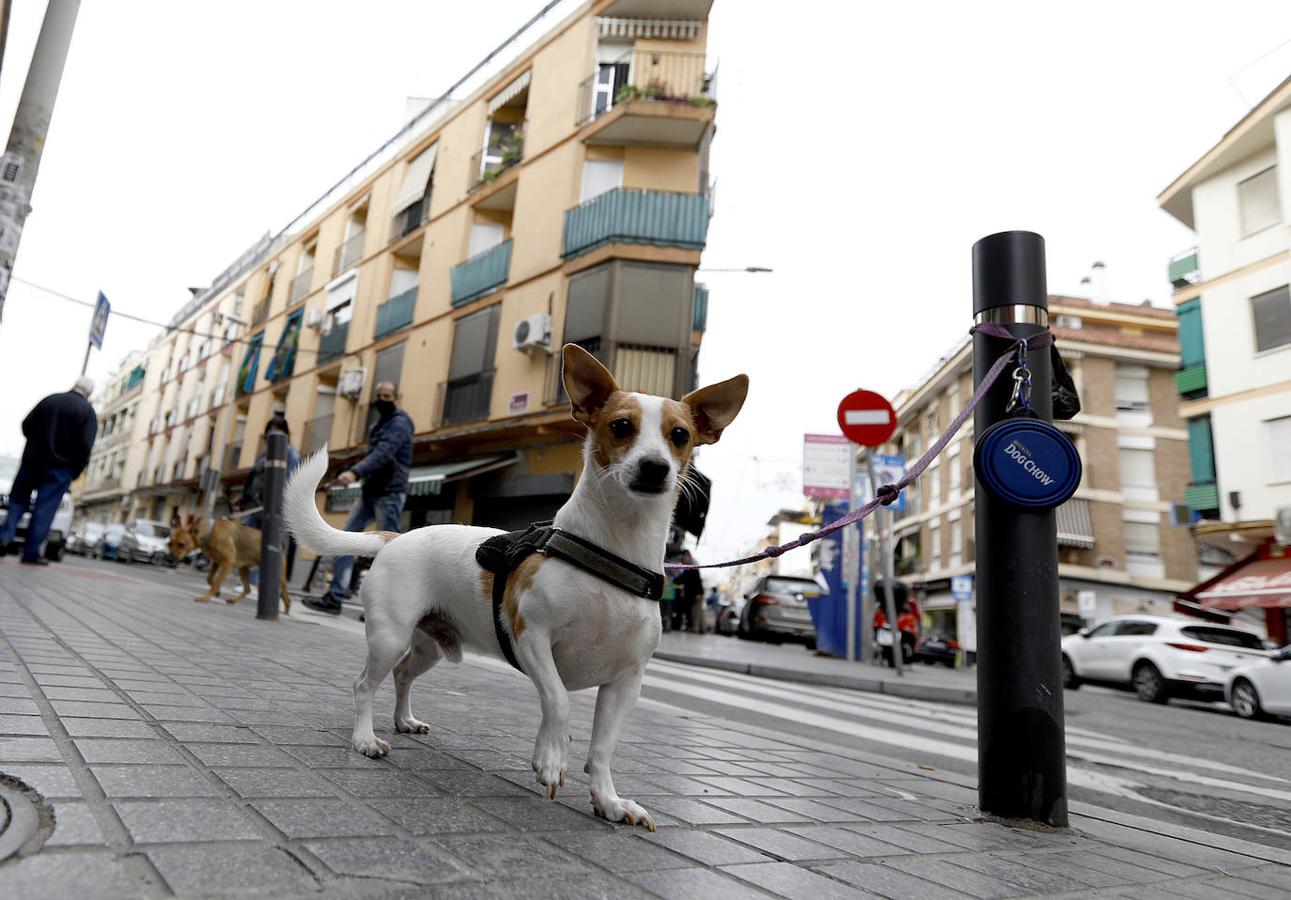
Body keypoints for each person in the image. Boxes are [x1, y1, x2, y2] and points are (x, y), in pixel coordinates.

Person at [304, 381, 413, 614]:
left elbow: (384, 453)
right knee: (346, 540)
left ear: (395, 397)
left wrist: (355, 472)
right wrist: (354, 470)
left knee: (390, 552)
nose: (382, 399)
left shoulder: (400, 424)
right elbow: (373, 454)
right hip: (369, 492)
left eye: (387, 395)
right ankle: (334, 598)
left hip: (390, 494)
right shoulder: (377, 426)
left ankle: (384, 609)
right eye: (379, 395)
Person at [0, 377, 98, 566]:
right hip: (60, 469)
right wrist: (74, 471)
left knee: (18, 501)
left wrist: (36, 444)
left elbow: (26, 425)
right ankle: (30, 553)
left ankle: (5, 537)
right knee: (44, 509)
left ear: (74, 385)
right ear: (89, 393)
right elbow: (85, 447)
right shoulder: (87, 412)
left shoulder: (50, 400)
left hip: (32, 461)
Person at [238, 415, 301, 584]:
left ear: (286, 433)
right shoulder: (264, 454)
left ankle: (261, 583)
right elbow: (254, 478)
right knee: (252, 545)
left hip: (275, 509)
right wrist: (243, 498)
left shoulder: (291, 454)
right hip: (257, 507)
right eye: (270, 429)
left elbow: (292, 482)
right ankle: (249, 582)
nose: (273, 433)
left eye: (277, 429)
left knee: (270, 545)